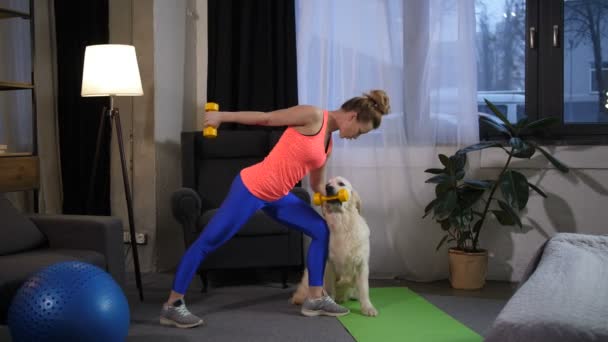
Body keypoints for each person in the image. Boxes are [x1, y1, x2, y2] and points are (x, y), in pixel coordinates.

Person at [160, 90, 391, 328]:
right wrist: (221, 117)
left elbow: (316, 184)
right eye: (361, 132)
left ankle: (315, 298)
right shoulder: (313, 116)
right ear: (353, 116)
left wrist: (330, 200)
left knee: (321, 229)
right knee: (208, 241)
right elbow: (266, 118)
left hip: (278, 195)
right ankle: (173, 305)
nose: (356, 137)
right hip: (252, 188)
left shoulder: (328, 144)